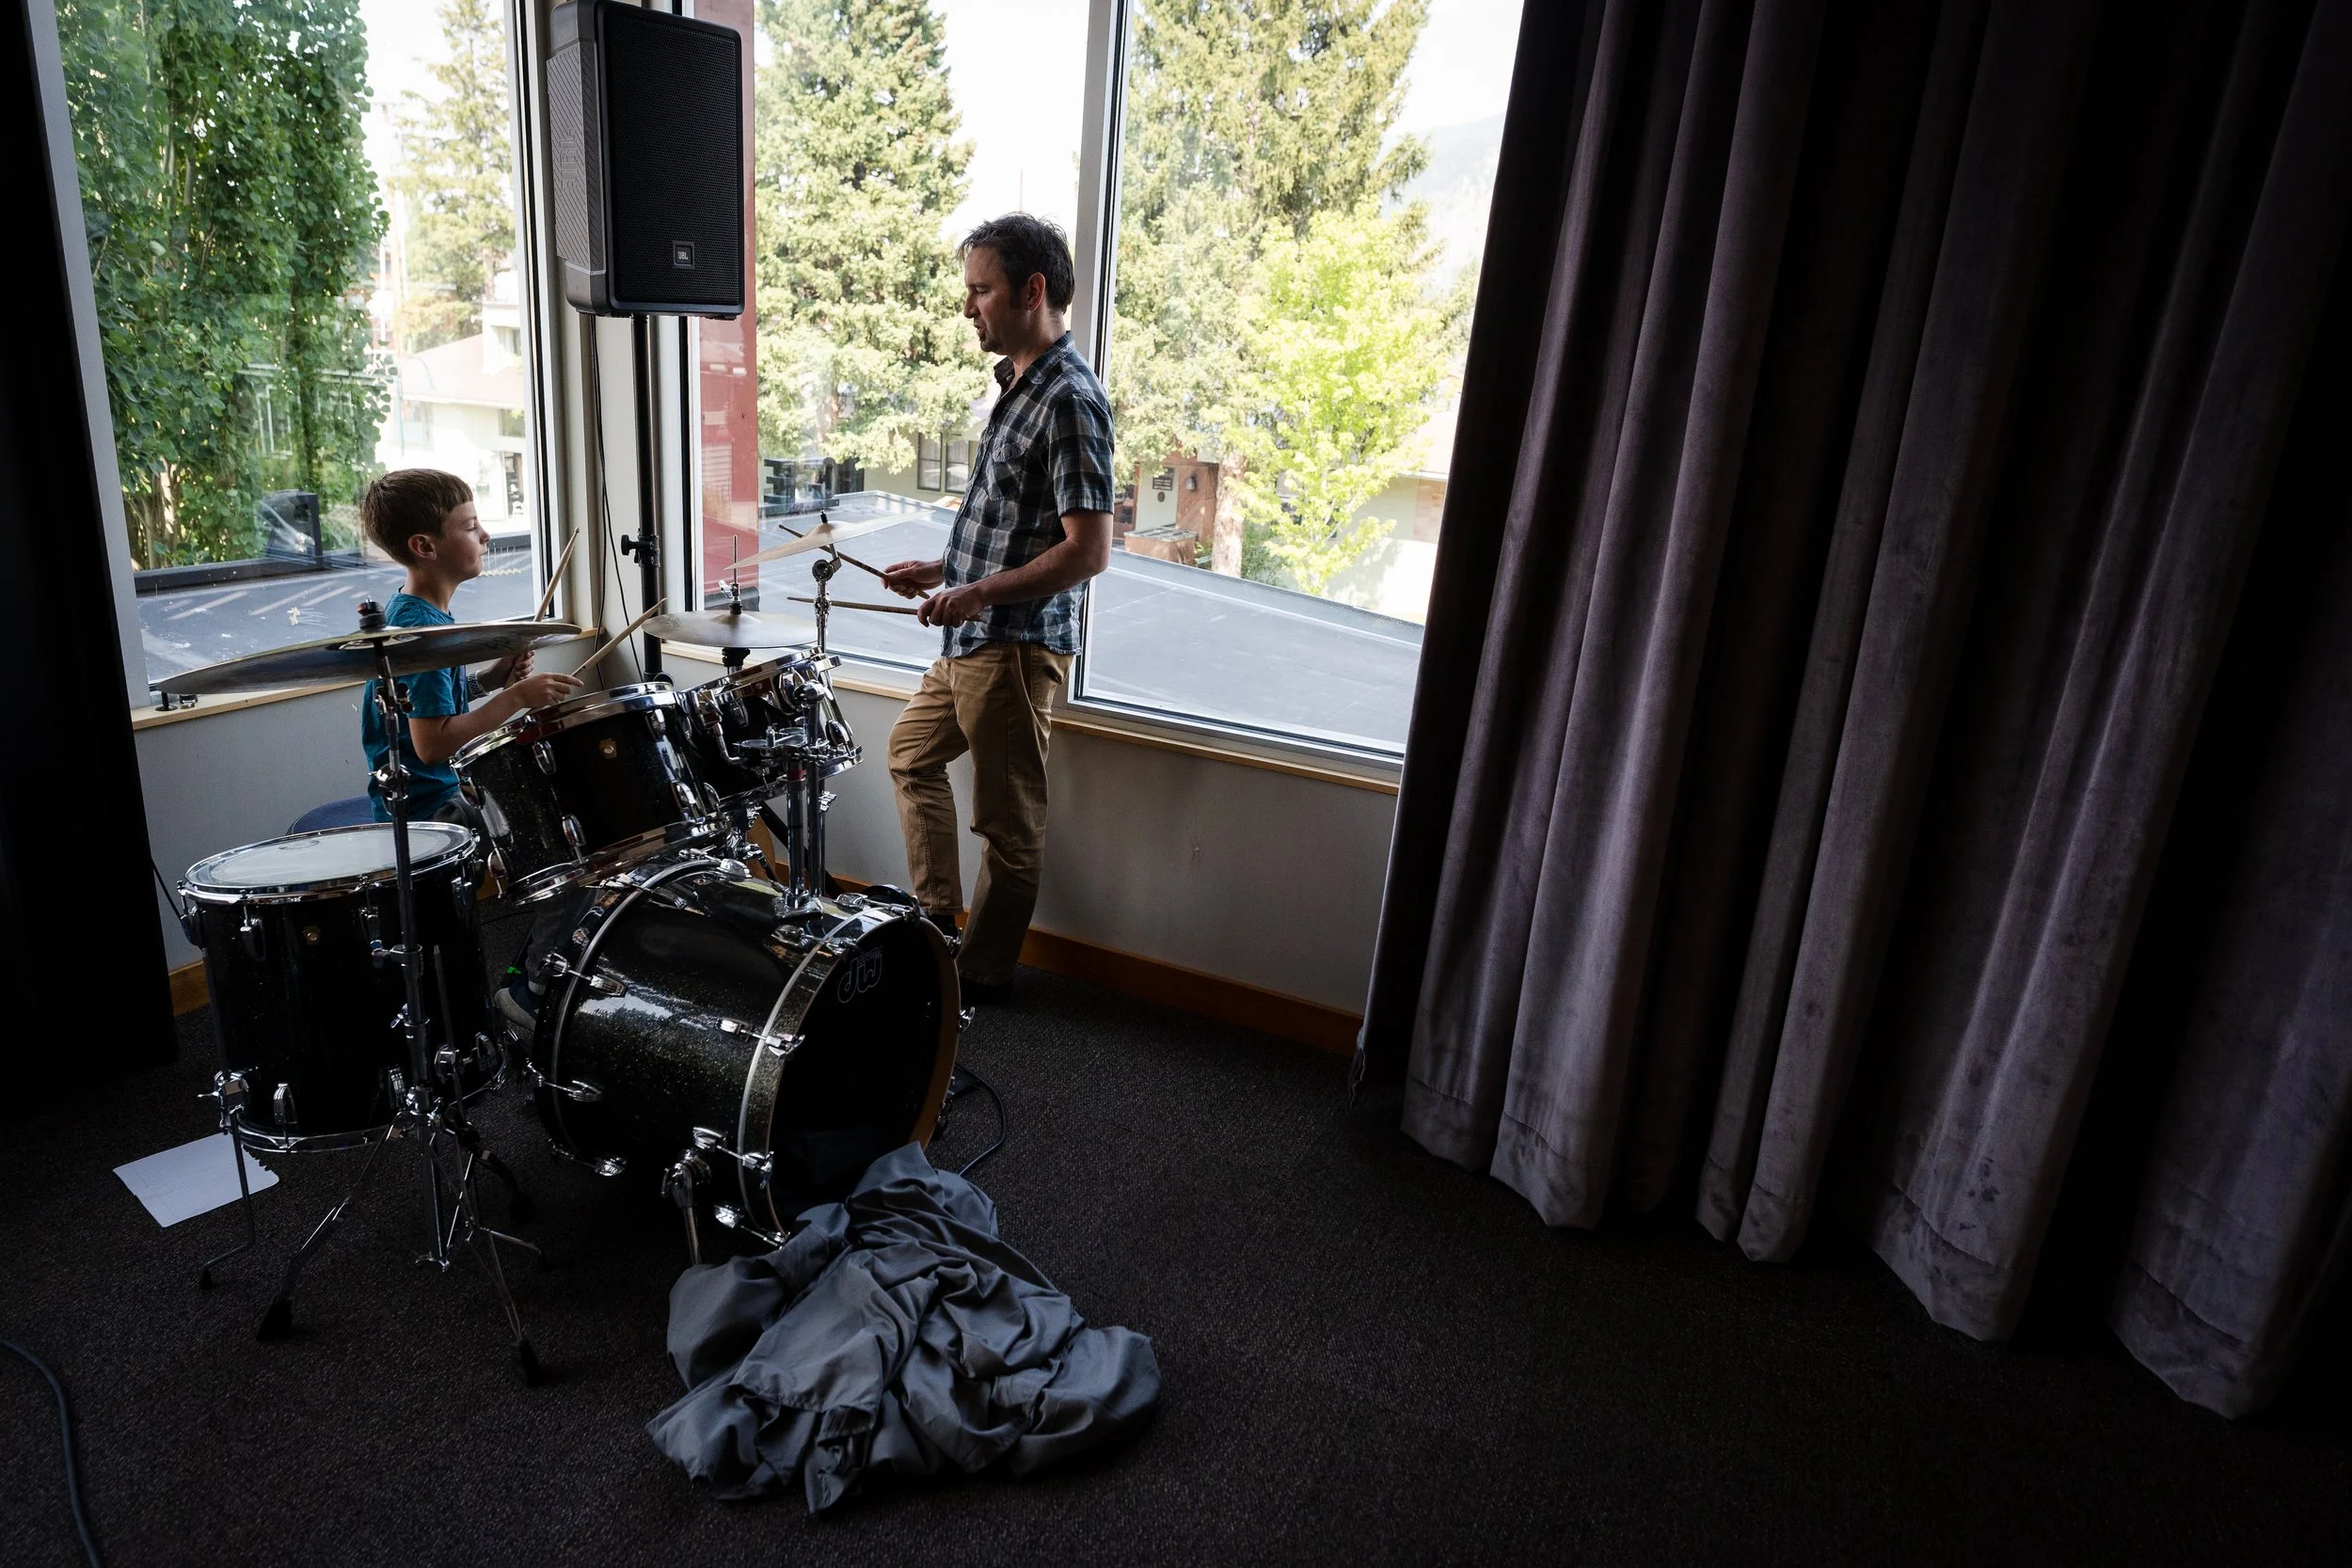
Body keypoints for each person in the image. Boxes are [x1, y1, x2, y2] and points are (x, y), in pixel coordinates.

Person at [881, 214, 1115, 1005]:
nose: (969, 308)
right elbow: (1018, 525)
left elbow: (1088, 551)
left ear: (1032, 290)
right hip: (971, 635)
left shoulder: (1071, 399)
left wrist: (975, 592)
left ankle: (977, 977)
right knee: (911, 755)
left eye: (981, 291)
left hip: (1011, 646)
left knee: (1008, 827)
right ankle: (935, 926)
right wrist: (942, 569)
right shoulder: (1019, 388)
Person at [358, 468, 579, 824]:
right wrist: (518, 697)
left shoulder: (417, 611)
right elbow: (432, 746)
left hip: (434, 795)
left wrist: (491, 680)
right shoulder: (421, 631)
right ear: (425, 547)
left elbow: (430, 706)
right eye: (470, 527)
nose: (485, 535)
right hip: (429, 812)